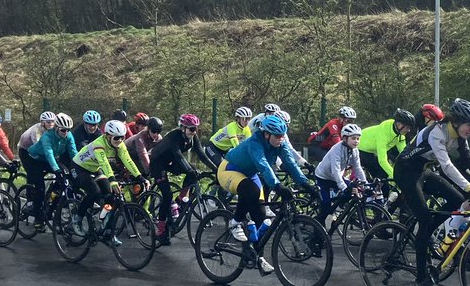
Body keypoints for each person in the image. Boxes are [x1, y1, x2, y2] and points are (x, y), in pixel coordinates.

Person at [393, 98, 470, 286]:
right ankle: (421, 280)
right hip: (405, 172)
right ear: (456, 121)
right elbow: (447, 166)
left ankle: (426, 231)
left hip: (423, 171)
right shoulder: (437, 132)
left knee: (457, 201)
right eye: (469, 124)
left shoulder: (460, 136)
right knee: (426, 219)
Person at [218, 113, 314, 275]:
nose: (281, 139)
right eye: (277, 136)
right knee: (251, 190)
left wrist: (306, 185)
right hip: (229, 169)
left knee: (261, 216)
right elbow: (264, 166)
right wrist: (278, 187)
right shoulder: (255, 143)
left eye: (283, 136)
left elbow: (290, 164)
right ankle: (235, 221)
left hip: (249, 174)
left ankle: (257, 256)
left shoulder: (280, 144)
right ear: (266, 134)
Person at [147, 114, 217, 246]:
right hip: (158, 163)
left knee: (192, 173)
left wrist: (216, 169)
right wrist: (189, 169)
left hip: (171, 161)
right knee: (167, 197)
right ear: (183, 128)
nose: (194, 132)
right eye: (191, 129)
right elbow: (179, 156)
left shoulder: (193, 137)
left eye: (195, 129)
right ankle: (160, 231)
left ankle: (180, 200)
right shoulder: (174, 136)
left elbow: (202, 154)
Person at [72, 119, 141, 223]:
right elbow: (104, 163)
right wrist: (112, 180)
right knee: (94, 192)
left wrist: (139, 177)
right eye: (117, 138)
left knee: (110, 195)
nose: (120, 140)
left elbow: (128, 161)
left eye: (123, 137)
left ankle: (103, 219)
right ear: (108, 136)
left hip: (95, 168)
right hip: (80, 167)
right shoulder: (99, 144)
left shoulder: (120, 144)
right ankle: (78, 218)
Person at [23, 113, 76, 225]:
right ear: (56, 128)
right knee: (40, 187)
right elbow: (49, 154)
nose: (66, 132)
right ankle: (38, 218)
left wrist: (79, 166)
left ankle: (51, 202)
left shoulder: (69, 136)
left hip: (47, 160)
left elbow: (73, 153)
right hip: (35, 159)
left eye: (68, 130)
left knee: (65, 176)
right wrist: (56, 170)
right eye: (63, 130)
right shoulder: (47, 136)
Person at [313, 122, 369, 225]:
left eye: (358, 138)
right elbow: (336, 170)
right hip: (323, 177)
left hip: (335, 177)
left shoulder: (354, 150)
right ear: (344, 138)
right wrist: (343, 187)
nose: (356, 141)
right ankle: (317, 229)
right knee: (326, 206)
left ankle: (338, 209)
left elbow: (357, 168)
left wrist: (365, 183)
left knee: (352, 191)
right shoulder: (336, 149)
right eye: (353, 138)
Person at [357, 109, 415, 183]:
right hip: (360, 148)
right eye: (407, 127)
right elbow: (382, 161)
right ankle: (373, 190)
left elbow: (404, 154)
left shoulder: (400, 135)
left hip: (371, 151)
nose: (409, 130)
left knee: (384, 174)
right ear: (399, 124)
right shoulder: (383, 133)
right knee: (382, 171)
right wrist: (396, 176)